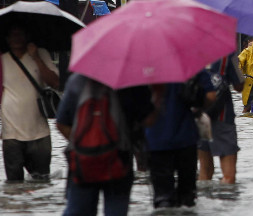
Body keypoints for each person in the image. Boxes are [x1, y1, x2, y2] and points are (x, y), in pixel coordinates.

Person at [56, 74, 157, 216]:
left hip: (82, 161)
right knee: (116, 210)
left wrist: (87, 143)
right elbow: (149, 120)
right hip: (118, 160)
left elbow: (61, 123)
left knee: (78, 210)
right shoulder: (133, 83)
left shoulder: (77, 80)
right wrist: (159, 96)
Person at [144, 71, 215, 208]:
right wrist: (198, 109)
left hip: (155, 139)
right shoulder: (189, 63)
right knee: (187, 197)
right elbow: (211, 97)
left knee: (163, 198)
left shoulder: (143, 65)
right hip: (186, 138)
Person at [1, 24, 59, 182]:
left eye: (20, 34)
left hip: (39, 133)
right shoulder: (2, 60)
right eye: (12, 35)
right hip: (11, 133)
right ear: (7, 39)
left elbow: (55, 83)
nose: (16, 39)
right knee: (13, 184)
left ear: (27, 37)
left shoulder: (41, 53)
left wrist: (36, 58)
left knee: (42, 181)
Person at [197, 55, 245, 184]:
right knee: (228, 176)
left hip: (198, 116)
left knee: (204, 172)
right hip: (222, 116)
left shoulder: (188, 52)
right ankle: (226, 200)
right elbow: (239, 85)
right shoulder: (226, 53)